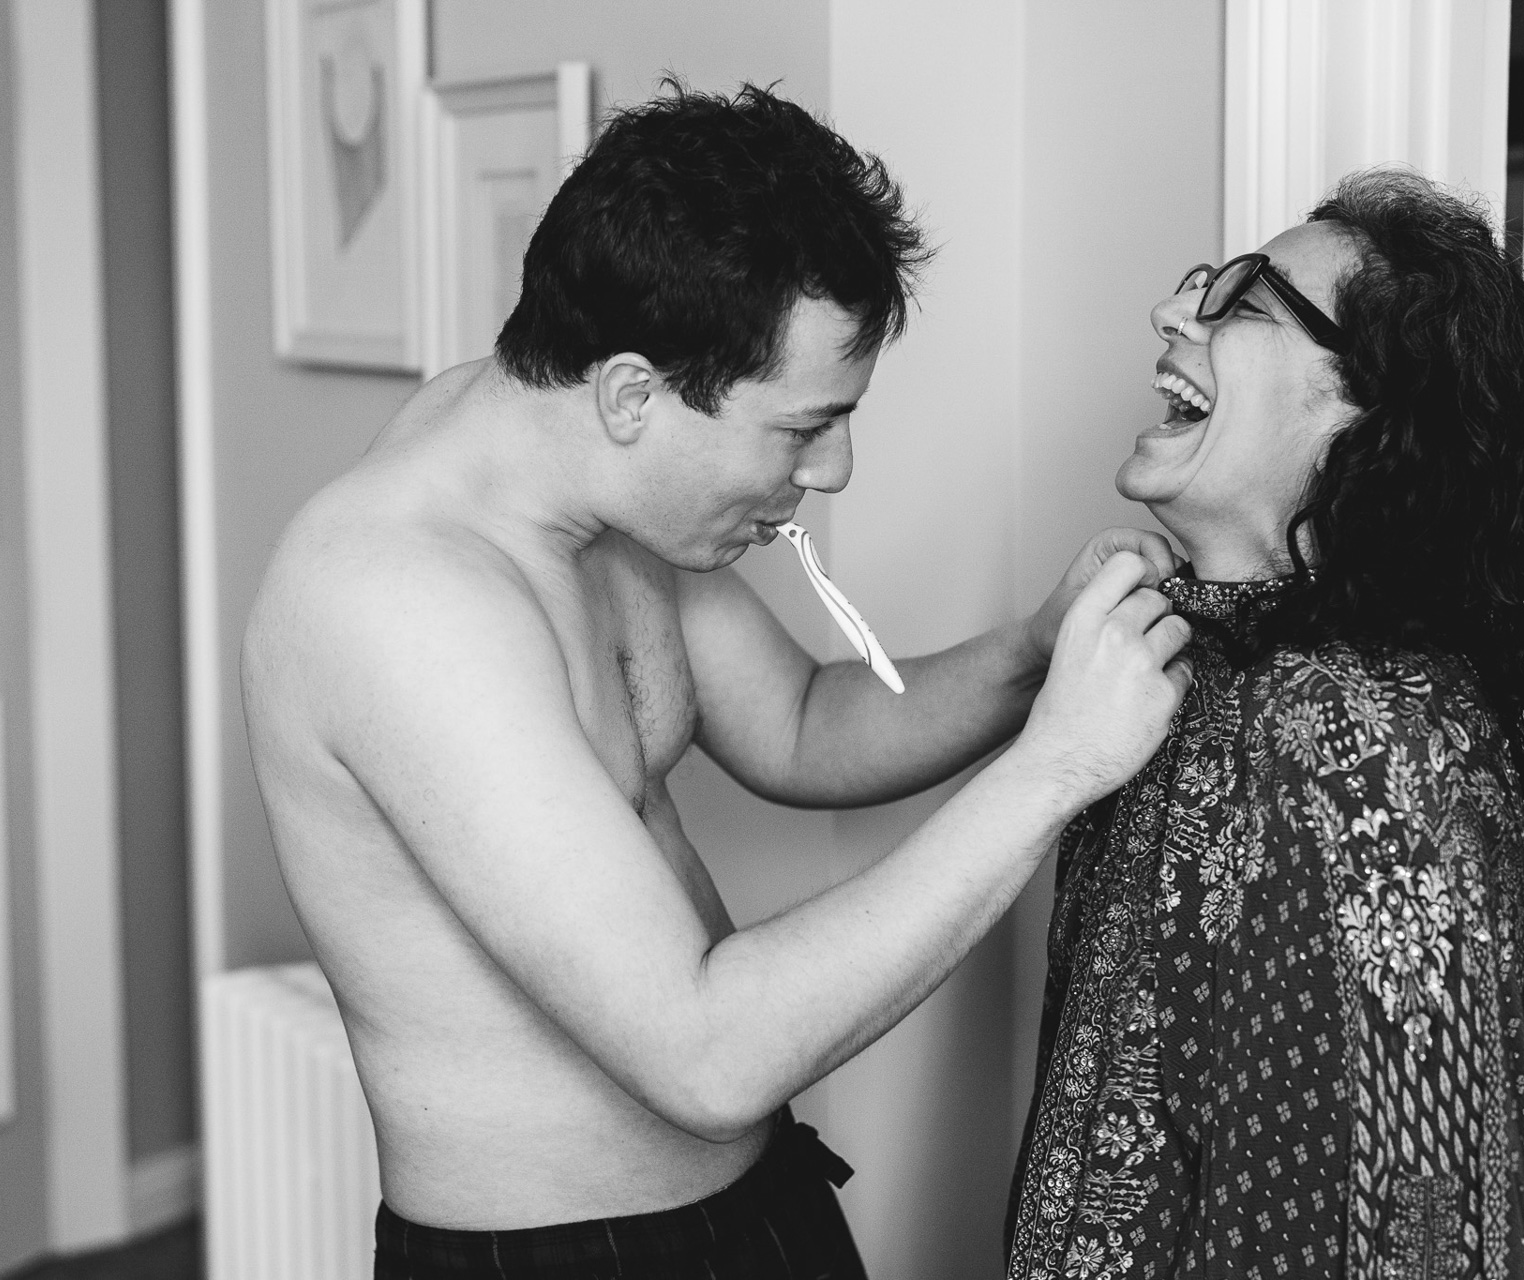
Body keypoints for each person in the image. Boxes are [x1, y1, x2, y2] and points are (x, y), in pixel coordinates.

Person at [242, 84, 1193, 1279]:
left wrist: (1034, 650)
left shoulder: (588, 472)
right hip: (563, 1258)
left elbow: (798, 725)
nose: (836, 468)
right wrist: (1059, 764)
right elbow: (704, 1054)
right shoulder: (396, 600)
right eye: (803, 428)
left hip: (760, 1201)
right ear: (634, 393)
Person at [1006, 169, 1524, 1280]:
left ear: (1360, 412)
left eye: (1242, 302)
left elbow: (1432, 1217)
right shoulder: (1183, 670)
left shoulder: (1381, 753)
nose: (1174, 313)